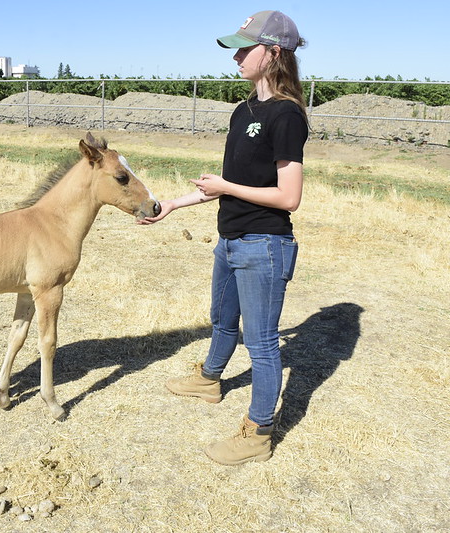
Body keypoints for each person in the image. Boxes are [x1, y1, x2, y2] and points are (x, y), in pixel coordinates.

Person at [139, 10, 308, 465]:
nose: (236, 55)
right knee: (221, 320)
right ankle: (210, 379)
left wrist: (227, 188)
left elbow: (289, 197)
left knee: (262, 343)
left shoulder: (286, 115)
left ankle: (258, 433)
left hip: (264, 246)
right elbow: (228, 182)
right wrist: (175, 204)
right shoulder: (242, 111)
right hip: (231, 240)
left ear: (273, 54)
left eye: (245, 47)